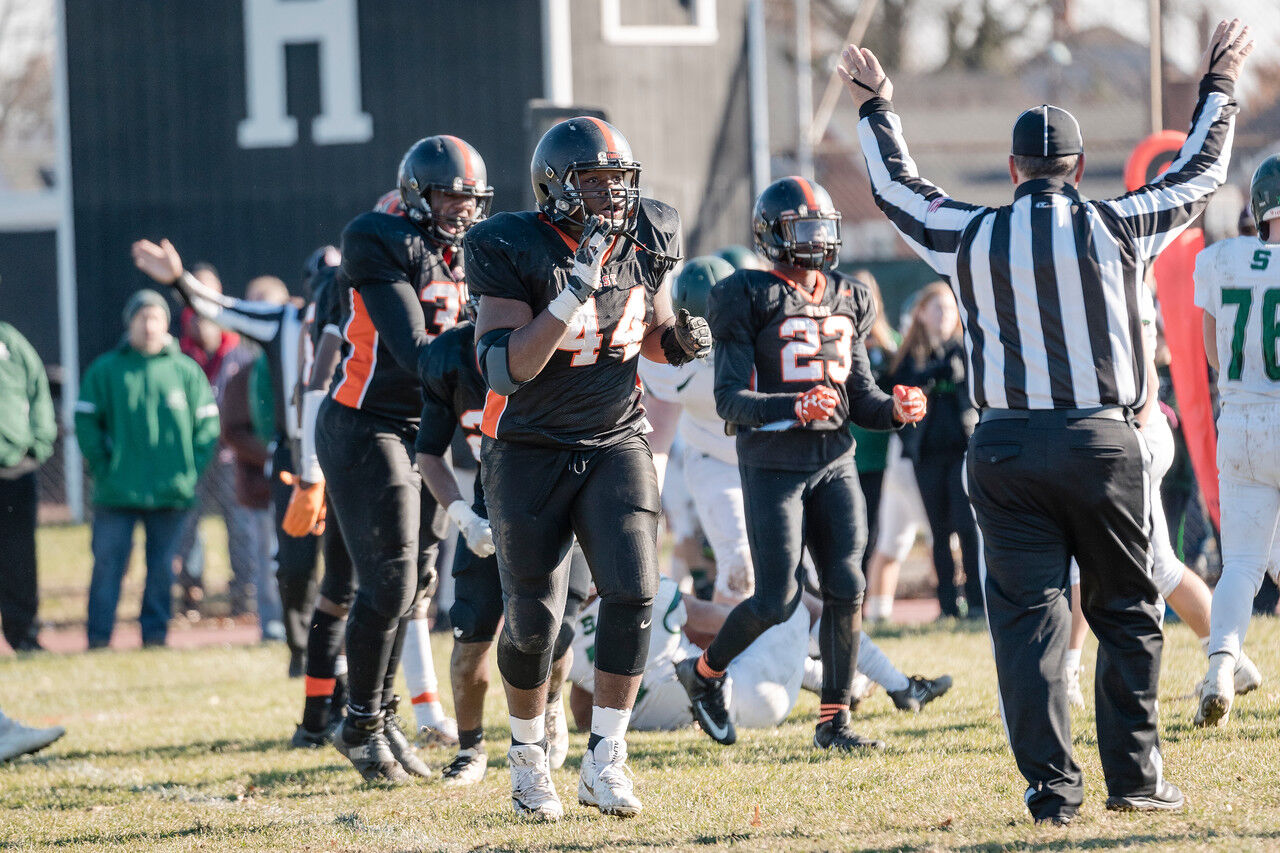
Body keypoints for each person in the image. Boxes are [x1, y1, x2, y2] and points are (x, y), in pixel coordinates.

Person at [842, 19, 1250, 822]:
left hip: (1005, 448)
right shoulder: (1119, 223)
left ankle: (1051, 791)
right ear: (1076, 167)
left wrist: (877, 108)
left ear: (1014, 169)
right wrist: (1221, 85)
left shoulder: (973, 232)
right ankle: (1133, 781)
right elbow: (1201, 173)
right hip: (1104, 441)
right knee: (1127, 615)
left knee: (1028, 627)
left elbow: (897, 193)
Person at [466, 116, 709, 819]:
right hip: (530, 447)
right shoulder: (509, 247)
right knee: (534, 622)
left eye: (618, 181)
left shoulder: (648, 233)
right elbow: (509, 369)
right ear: (556, 188)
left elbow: (650, 338)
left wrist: (681, 339)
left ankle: (605, 758)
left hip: (614, 436)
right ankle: (526, 758)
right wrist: (572, 289)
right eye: (595, 182)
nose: (611, 196)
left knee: (633, 591)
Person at [675, 176, 926, 755]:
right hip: (774, 465)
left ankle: (833, 721)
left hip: (834, 460)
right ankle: (706, 675)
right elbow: (731, 401)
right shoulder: (746, 294)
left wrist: (897, 408)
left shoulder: (848, 297)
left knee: (847, 586)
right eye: (804, 230)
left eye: (824, 228)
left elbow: (861, 399)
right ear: (773, 236)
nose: (818, 241)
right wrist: (796, 404)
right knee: (776, 600)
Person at [316, 137, 490, 783]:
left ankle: (380, 712)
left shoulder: (469, 246)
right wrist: (496, 355)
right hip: (366, 420)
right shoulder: (380, 237)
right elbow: (416, 350)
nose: (459, 208)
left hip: (426, 425)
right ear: (417, 193)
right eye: (447, 194)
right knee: (388, 580)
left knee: (414, 584)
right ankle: (358, 720)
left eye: (469, 197)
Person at [1062, 275, 1261, 710]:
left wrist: (1128, 436)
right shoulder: (1101, 286)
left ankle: (1067, 674)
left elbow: (1147, 379)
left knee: (1119, 565)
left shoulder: (1116, 289)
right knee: (1160, 566)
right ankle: (1229, 656)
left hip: (1133, 435)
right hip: (1128, 434)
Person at [413, 299, 587, 784]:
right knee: (470, 635)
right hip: (491, 503)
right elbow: (427, 451)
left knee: (554, 636)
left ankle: (549, 706)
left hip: (561, 500)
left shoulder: (562, 346)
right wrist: (462, 516)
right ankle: (471, 748)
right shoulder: (447, 356)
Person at [132, 242, 321, 675]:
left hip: (346, 450)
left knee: (356, 564)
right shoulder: (284, 320)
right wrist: (180, 280)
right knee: (290, 560)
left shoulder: (360, 315)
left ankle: (348, 660)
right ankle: (300, 650)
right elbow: (219, 307)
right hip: (293, 455)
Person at [75, 290, 220, 648]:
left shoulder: (186, 371)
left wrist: (188, 471)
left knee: (162, 568)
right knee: (108, 565)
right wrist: (103, 466)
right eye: (143, 318)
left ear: (167, 324)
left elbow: (207, 427)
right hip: (117, 491)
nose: (149, 325)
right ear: (130, 323)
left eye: (156, 318)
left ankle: (155, 637)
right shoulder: (106, 370)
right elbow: (85, 421)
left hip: (172, 492)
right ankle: (98, 637)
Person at [1193, 153, 1280, 726]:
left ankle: (1221, 663)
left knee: (1243, 563)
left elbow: (1211, 351)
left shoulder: (1218, 259)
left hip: (1241, 417)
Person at [889, 283, 981, 619]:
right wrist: (930, 373)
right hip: (926, 454)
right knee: (939, 530)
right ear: (922, 314)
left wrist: (955, 372)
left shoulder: (966, 349)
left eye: (948, 308)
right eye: (936, 308)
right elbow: (897, 385)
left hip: (960, 450)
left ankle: (976, 601)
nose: (943, 314)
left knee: (966, 526)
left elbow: (975, 391)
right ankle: (946, 604)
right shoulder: (912, 355)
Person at [171, 264, 248, 618]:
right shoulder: (178, 347)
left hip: (233, 449)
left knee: (239, 519)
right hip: (191, 451)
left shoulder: (239, 342)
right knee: (189, 521)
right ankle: (191, 589)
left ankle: (243, 590)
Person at [0, 315, 57, 652]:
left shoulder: (11, 342)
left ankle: (24, 637)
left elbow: (39, 396)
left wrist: (37, 445)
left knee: (19, 560)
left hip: (15, 472)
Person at [847, 270, 899, 580]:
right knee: (851, 529)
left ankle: (866, 600)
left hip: (882, 454)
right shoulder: (834, 338)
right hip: (849, 451)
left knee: (877, 531)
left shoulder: (893, 343)